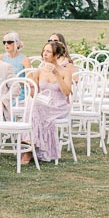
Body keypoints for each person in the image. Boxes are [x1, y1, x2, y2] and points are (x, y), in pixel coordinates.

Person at [25, 35, 75, 164]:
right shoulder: (39, 70)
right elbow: (34, 94)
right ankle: (32, 143)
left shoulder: (65, 72)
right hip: (43, 104)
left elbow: (67, 92)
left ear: (56, 55)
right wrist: (31, 86)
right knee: (32, 104)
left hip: (59, 106)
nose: (44, 54)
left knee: (35, 107)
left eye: (48, 51)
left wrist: (56, 74)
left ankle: (31, 146)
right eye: (44, 51)